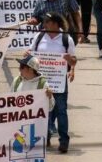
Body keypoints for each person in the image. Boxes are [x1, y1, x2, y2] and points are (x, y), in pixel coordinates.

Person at [29, 12, 77, 153]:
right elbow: (31, 54)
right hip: (41, 81)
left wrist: (69, 61)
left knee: (61, 110)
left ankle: (64, 142)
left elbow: (74, 61)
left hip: (59, 81)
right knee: (43, 110)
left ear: (55, 24)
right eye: (44, 22)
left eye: (47, 22)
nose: (44, 24)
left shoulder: (66, 39)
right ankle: (46, 136)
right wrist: (27, 55)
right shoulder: (39, 37)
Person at [10, 56, 52, 162]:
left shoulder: (43, 84)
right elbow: (9, 103)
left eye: (22, 67)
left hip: (35, 130)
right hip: (17, 130)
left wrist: (49, 97)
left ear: (30, 69)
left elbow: (50, 107)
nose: (19, 69)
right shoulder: (17, 81)